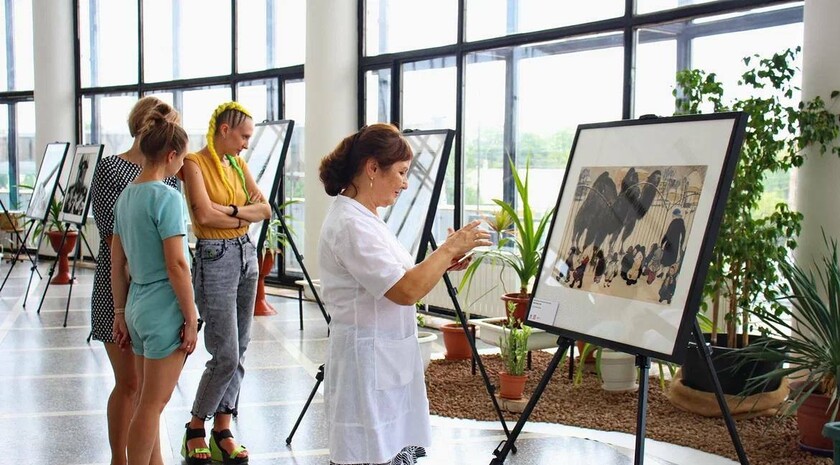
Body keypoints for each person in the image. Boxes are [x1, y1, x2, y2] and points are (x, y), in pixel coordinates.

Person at [317, 123, 492, 465]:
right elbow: (405, 290)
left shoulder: (366, 216)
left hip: (383, 358)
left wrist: (444, 260)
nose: (405, 183)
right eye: (400, 172)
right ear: (372, 168)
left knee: (391, 446)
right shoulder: (351, 224)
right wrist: (447, 250)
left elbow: (402, 276)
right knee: (370, 453)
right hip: (365, 364)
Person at [89, 96, 180, 465]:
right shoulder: (112, 169)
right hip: (118, 287)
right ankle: (119, 459)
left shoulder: (169, 176)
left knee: (148, 394)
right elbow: (113, 239)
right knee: (129, 384)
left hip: (154, 292)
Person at [180, 102, 269, 465]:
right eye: (243, 136)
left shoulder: (238, 164)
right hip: (215, 257)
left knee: (241, 348)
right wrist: (242, 216)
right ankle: (195, 427)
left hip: (246, 254)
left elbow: (264, 210)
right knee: (226, 353)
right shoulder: (193, 163)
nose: (246, 144)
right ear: (224, 130)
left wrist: (229, 212)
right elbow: (203, 215)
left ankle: (223, 428)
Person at [110, 108, 198, 465]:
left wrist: (119, 312)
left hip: (136, 304)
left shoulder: (126, 196)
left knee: (147, 400)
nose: (183, 166)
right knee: (152, 404)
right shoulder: (167, 197)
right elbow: (177, 265)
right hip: (163, 307)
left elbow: (117, 262)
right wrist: (191, 317)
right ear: (171, 155)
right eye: (183, 158)